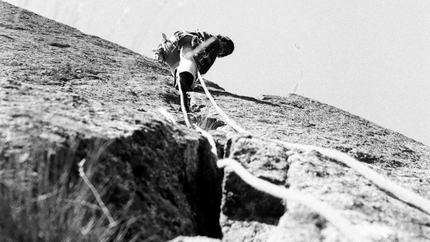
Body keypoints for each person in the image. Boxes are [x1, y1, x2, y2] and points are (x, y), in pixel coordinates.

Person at [153, 29, 234, 112]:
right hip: (186, 41)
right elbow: (204, 69)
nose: (223, 50)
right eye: (224, 46)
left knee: (182, 74)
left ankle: (183, 100)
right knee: (189, 63)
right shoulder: (214, 40)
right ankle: (184, 80)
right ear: (221, 39)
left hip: (169, 51)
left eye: (224, 52)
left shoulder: (210, 49)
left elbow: (202, 70)